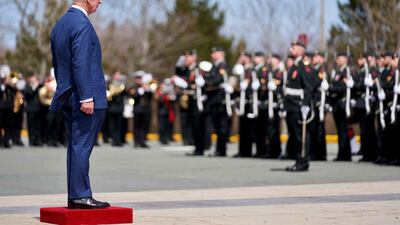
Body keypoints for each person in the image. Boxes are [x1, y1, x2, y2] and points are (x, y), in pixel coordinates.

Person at [50, 0, 109, 209]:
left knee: (76, 147)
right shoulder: (81, 24)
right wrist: (86, 97)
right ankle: (80, 195)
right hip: (85, 96)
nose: (100, 1)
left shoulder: (61, 24)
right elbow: (81, 62)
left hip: (68, 94)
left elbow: (58, 64)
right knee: (82, 146)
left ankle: (76, 195)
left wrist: (63, 90)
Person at [283, 40, 314, 172]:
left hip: (298, 105)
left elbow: (308, 88)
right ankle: (298, 160)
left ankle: (303, 161)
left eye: (294, 47)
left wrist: (305, 104)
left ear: (301, 51)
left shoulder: (303, 66)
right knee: (294, 135)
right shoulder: (294, 66)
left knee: (300, 135)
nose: (291, 49)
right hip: (291, 106)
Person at [205, 47, 231, 157]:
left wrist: (206, 82)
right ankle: (219, 149)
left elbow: (218, 80)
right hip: (214, 99)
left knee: (221, 126)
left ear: (221, 53)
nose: (212, 54)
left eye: (215, 52)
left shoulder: (222, 65)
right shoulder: (214, 66)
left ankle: (221, 150)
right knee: (216, 126)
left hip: (220, 100)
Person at [330, 53, 352, 161]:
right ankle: (341, 153)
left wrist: (331, 89)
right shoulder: (337, 72)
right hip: (336, 105)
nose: (337, 60)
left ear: (345, 60)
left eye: (339, 58)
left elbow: (342, 87)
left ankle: (345, 154)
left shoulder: (346, 71)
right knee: (340, 130)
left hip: (343, 104)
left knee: (343, 130)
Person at [309, 51, 328, 161]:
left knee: (319, 129)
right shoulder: (315, 69)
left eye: (316, 56)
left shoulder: (321, 69)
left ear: (322, 58)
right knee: (314, 129)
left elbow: (316, 83)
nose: (314, 58)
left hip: (320, 102)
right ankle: (315, 152)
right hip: (315, 102)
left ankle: (320, 154)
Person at [107, 72, 125, 147]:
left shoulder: (122, 86)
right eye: (116, 77)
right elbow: (107, 94)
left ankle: (118, 140)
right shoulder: (109, 85)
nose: (117, 78)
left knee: (119, 125)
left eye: (118, 77)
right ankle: (113, 139)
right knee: (112, 125)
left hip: (119, 108)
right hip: (111, 108)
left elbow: (126, 94)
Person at [25, 74, 43, 146]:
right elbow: (29, 95)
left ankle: (37, 140)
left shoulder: (39, 87)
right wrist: (34, 87)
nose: (34, 80)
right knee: (31, 126)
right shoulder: (27, 87)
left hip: (38, 109)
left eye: (35, 78)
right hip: (31, 109)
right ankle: (31, 140)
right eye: (33, 78)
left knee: (38, 126)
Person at [0, 65, 13, 149]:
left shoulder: (10, 85)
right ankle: (0, 141)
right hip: (0, 108)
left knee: (8, 125)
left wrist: (10, 84)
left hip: (8, 107)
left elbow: (17, 88)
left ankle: (6, 141)